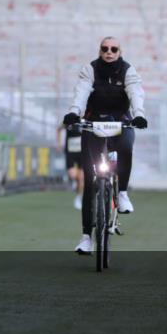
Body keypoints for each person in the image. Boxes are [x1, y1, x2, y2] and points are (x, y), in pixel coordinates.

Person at [63, 36, 148, 256]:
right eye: (105, 48)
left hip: (121, 122)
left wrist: (139, 114)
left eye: (114, 49)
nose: (109, 52)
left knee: (126, 147)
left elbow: (135, 92)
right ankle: (86, 238)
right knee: (90, 181)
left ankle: (122, 193)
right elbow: (81, 92)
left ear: (120, 52)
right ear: (100, 50)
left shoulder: (128, 70)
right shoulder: (90, 69)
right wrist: (74, 112)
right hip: (93, 124)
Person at [56, 120, 84, 209]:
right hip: (70, 152)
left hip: (82, 152)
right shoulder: (69, 119)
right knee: (72, 175)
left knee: (81, 178)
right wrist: (58, 144)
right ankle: (75, 182)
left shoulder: (85, 120)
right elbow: (59, 129)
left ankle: (79, 197)